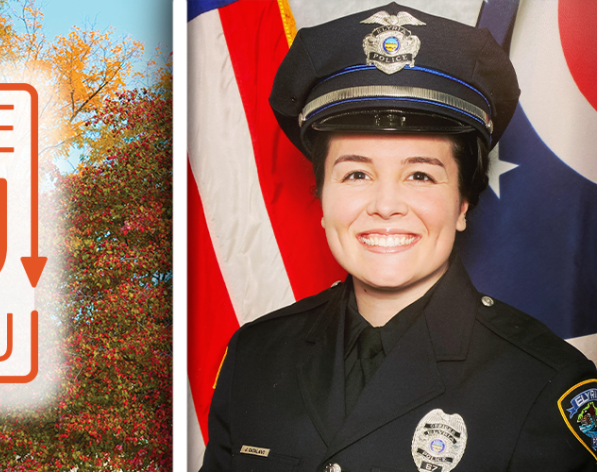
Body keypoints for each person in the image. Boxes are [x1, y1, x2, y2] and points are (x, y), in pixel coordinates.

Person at [200, 3, 597, 472]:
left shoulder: (547, 384)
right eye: (355, 174)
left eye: (421, 176)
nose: (386, 205)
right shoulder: (255, 355)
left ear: (463, 203)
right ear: (322, 199)